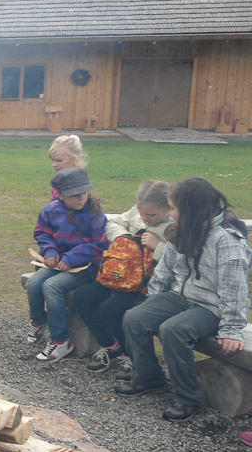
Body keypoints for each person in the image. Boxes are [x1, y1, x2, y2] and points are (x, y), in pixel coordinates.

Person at [116, 177, 252, 422]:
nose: (170, 213)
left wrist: (231, 329)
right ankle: (149, 379)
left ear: (189, 209)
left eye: (173, 207)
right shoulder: (181, 228)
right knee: (135, 318)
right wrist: (153, 301)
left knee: (173, 330)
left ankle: (190, 397)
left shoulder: (227, 240)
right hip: (180, 296)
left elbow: (235, 290)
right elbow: (166, 270)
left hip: (212, 307)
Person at [74, 180, 172, 376]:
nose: (144, 218)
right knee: (83, 296)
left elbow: (182, 256)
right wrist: (125, 237)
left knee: (112, 309)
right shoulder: (138, 211)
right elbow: (114, 223)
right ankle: (111, 346)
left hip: (147, 285)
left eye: (151, 215)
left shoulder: (175, 225)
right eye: (141, 212)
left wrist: (158, 247)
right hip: (120, 274)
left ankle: (132, 357)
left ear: (169, 208)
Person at [26, 167, 108, 362]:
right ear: (61, 195)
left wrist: (71, 258)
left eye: (84, 192)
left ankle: (61, 340)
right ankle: (39, 321)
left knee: (51, 286)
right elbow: (42, 233)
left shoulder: (95, 214)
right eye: (74, 195)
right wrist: (50, 251)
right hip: (57, 264)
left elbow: (99, 245)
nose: (81, 198)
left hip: (86, 268)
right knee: (34, 282)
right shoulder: (51, 211)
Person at [48, 135, 87, 200]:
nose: (54, 164)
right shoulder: (62, 177)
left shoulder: (78, 181)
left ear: (73, 159)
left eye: (59, 160)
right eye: (53, 160)